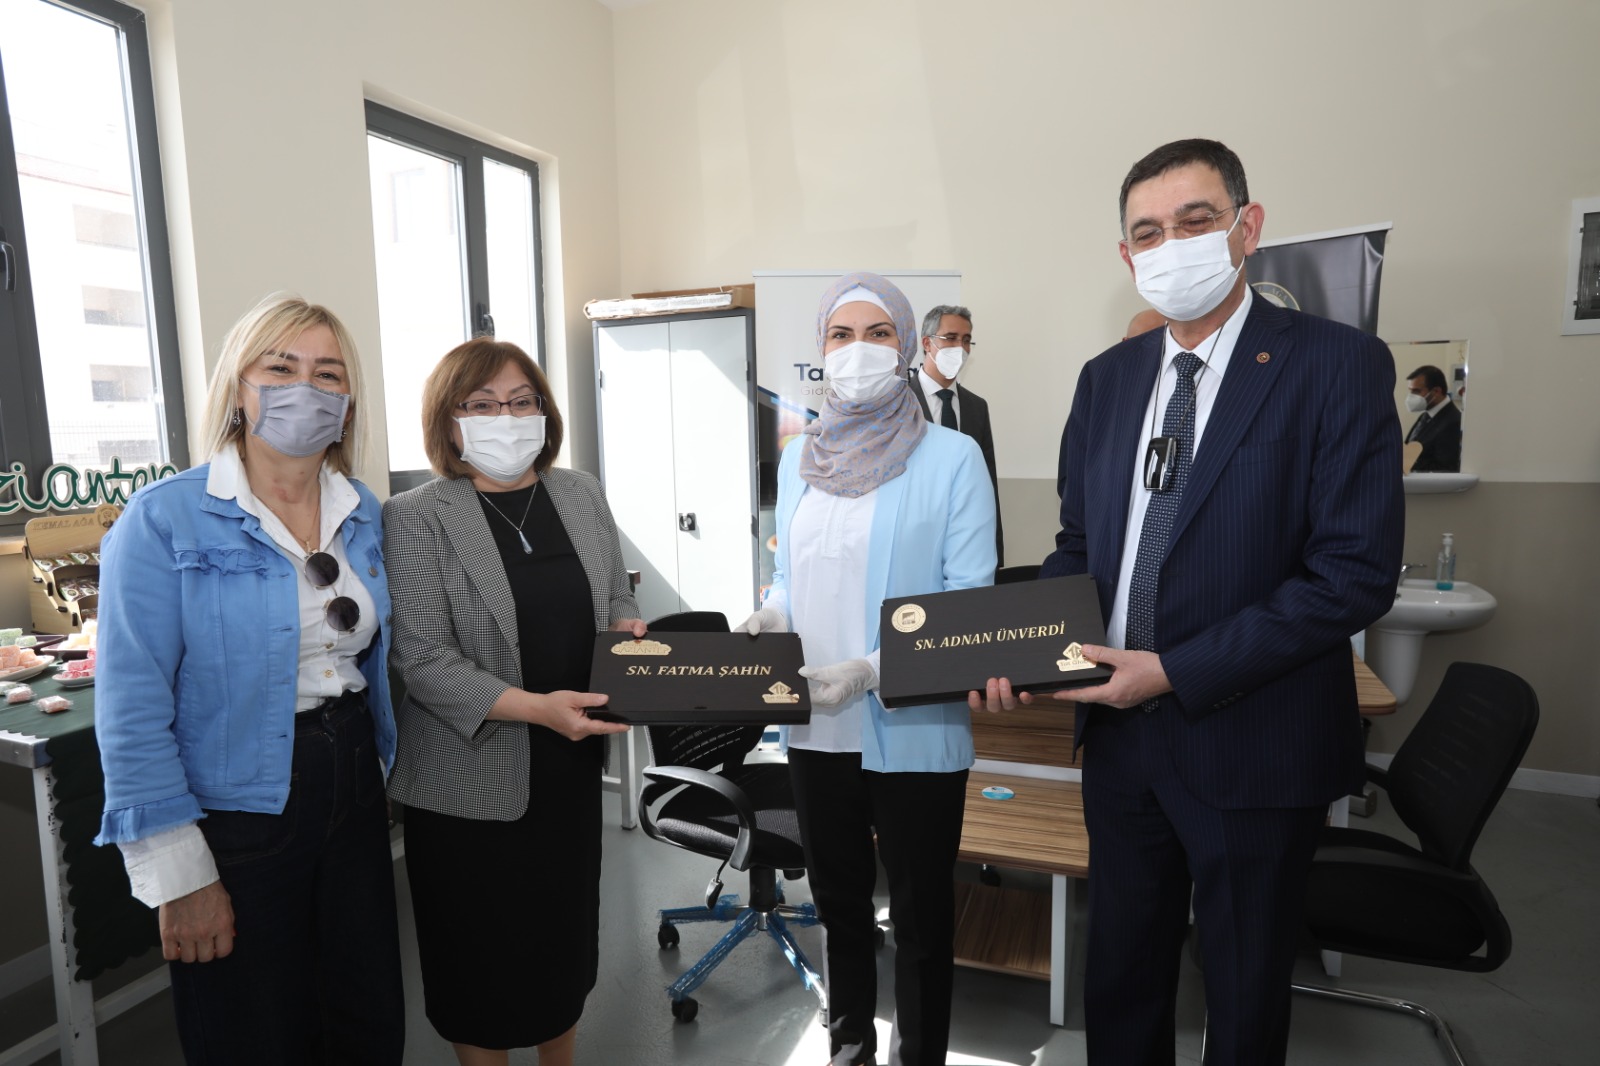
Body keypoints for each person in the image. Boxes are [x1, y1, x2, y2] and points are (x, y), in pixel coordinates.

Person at [974, 139, 1403, 1064]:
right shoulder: (1108, 380)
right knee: (1121, 979)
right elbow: (1080, 547)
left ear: (1247, 228)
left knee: (1244, 995)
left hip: (1256, 739)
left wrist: (1173, 670)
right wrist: (1022, 649)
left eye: (1195, 220)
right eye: (1148, 233)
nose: (1171, 245)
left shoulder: (1337, 365)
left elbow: (1353, 575)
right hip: (1120, 745)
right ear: (1127, 256)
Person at [95, 294, 404, 1064]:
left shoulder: (362, 509)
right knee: (253, 1033)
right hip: (236, 809)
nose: (307, 388)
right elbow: (131, 712)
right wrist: (180, 876)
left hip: (352, 782)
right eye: (281, 367)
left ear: (348, 400)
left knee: (364, 1018)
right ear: (238, 386)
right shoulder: (163, 519)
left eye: (328, 373)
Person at [743, 272, 996, 1066]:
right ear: (821, 351)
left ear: (908, 346)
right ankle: (848, 1050)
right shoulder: (799, 459)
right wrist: (771, 615)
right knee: (840, 910)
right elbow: (787, 575)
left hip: (913, 729)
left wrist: (872, 669)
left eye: (878, 333)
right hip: (817, 729)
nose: (859, 350)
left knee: (920, 922)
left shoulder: (952, 458)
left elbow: (968, 604)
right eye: (841, 335)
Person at [382, 337, 641, 1066]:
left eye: (522, 402)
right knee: (478, 964)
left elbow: (616, 595)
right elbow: (424, 662)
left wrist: (629, 632)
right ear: (449, 419)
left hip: (568, 769)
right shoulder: (416, 516)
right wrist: (537, 708)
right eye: (484, 404)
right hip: (467, 782)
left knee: (561, 944)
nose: (507, 417)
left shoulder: (579, 492)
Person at [908, 303, 1004, 564]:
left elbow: (988, 484)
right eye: (950, 338)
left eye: (966, 340)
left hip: (966, 544)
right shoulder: (900, 402)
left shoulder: (977, 407)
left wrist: (995, 553)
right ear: (927, 343)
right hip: (913, 543)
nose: (960, 347)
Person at [1404, 363, 1462, 472]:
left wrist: (1412, 466)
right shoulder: (1426, 415)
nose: (1411, 396)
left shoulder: (1453, 422)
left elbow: (1445, 468)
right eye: (1410, 391)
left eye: (1416, 391)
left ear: (1436, 391)